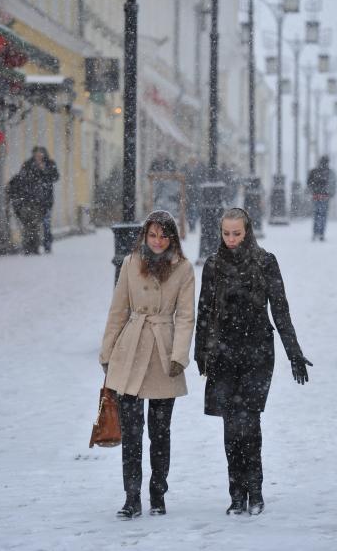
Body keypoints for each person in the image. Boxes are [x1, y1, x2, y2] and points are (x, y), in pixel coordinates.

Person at [194, 208, 312, 516]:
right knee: (231, 426)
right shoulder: (213, 265)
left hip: (257, 351)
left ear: (248, 233)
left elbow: (281, 310)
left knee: (249, 421)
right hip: (222, 353)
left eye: (237, 233)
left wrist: (294, 352)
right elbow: (204, 310)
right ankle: (236, 493)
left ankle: (255, 489)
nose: (231, 240)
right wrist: (200, 353)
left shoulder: (265, 262)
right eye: (226, 234)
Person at [99, 210, 195, 519]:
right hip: (131, 350)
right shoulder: (130, 264)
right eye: (152, 235)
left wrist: (179, 355)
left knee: (160, 430)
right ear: (145, 235)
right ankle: (131, 496)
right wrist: (107, 352)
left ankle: (158, 492)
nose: (157, 241)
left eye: (163, 235)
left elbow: (185, 316)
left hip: (164, 354)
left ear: (172, 238)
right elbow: (117, 310)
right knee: (132, 431)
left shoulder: (183, 269)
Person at [9, 147, 59, 255]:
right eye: (36, 154)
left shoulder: (50, 163)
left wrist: (44, 170)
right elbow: (22, 178)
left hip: (46, 199)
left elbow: (55, 177)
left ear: (44, 154)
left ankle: (47, 245)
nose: (38, 156)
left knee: (46, 223)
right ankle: (30, 247)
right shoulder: (28, 164)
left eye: (40, 153)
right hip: (31, 200)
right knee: (31, 225)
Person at [307, 155, 336, 241]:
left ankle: (315, 232)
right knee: (323, 215)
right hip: (325, 196)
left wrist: (313, 190)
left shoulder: (314, 171)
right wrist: (331, 193)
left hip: (316, 196)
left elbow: (308, 182)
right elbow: (333, 184)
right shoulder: (330, 172)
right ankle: (321, 233)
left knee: (316, 214)